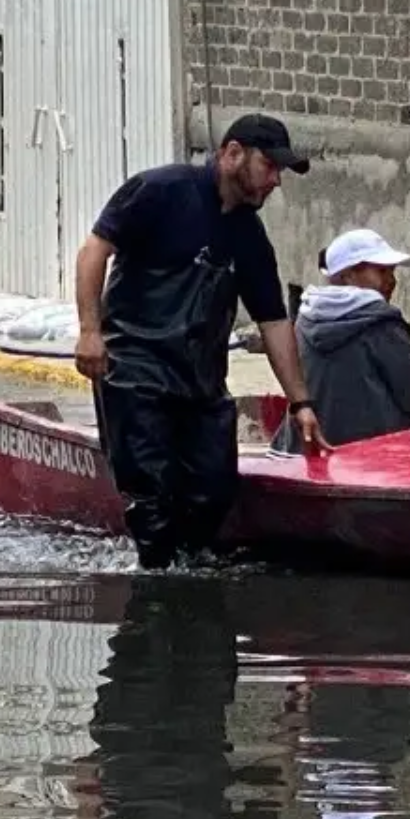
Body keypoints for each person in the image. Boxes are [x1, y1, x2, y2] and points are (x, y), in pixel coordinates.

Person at [74, 113, 330, 570]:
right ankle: (156, 586)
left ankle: (190, 574)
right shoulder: (160, 191)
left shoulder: (249, 237)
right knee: (152, 498)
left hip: (200, 379)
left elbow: (273, 323)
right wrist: (91, 332)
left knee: (213, 492)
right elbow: (95, 250)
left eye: (280, 172)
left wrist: (301, 403)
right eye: (269, 166)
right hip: (135, 366)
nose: (275, 181)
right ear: (232, 154)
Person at [271, 227, 410, 454]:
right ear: (348, 274)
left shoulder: (305, 319)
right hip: (374, 456)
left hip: (306, 450)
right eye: (382, 271)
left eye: (391, 272)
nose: (392, 280)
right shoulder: (380, 324)